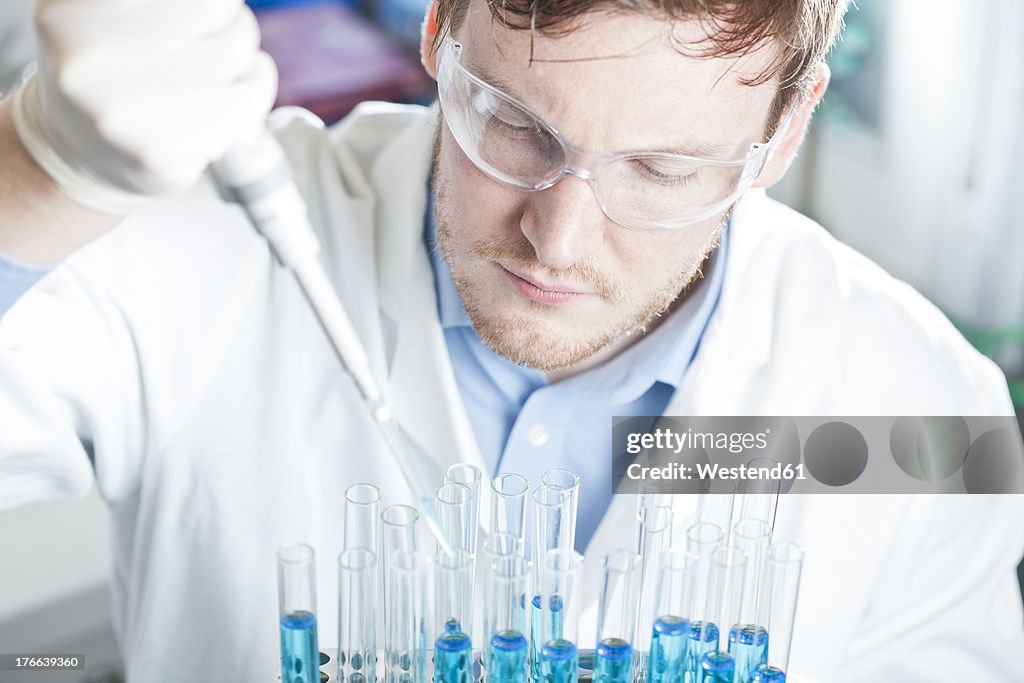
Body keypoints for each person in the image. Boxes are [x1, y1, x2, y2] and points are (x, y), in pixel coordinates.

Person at [1, 0, 1022, 681]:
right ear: (440, 31)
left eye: (663, 170)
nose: (559, 238)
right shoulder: (199, 244)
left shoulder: (929, 409)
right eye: (517, 126)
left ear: (788, 127)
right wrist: (38, 175)